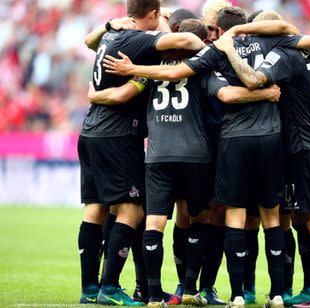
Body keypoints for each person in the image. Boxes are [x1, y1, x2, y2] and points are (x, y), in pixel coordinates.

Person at [102, 9, 310, 307]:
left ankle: (214, 294)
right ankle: (275, 293)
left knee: (212, 217)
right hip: (261, 142)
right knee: (269, 218)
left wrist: (134, 68)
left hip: (208, 146)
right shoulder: (278, 45)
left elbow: (177, 75)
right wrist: (270, 93)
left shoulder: (214, 53)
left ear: (219, 30)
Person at [78, 0, 206, 305]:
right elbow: (190, 40)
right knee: (132, 211)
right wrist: (139, 71)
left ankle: (90, 289)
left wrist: (109, 24)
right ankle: (109, 287)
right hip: (118, 135)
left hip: (90, 132)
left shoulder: (110, 35)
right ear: (150, 14)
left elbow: (88, 40)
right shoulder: (139, 40)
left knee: (96, 209)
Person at [214, 29, 310, 308]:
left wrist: (231, 44)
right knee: (303, 219)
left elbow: (253, 80)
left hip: (307, 146)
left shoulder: (282, 55)